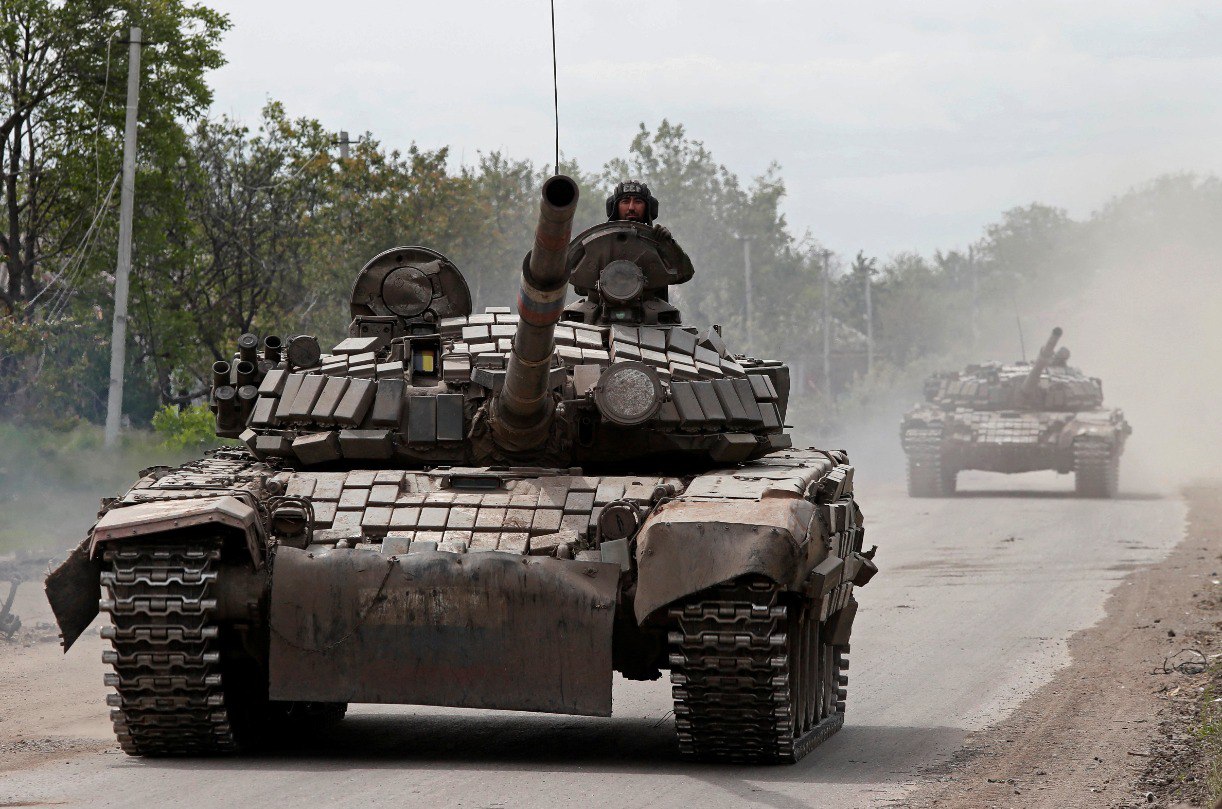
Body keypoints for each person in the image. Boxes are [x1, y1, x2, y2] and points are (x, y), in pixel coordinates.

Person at [605, 180, 673, 242]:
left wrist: (667, 243)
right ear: (615, 208)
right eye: (625, 202)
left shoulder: (656, 241)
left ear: (647, 208)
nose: (631, 207)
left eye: (638, 202)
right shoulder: (604, 241)